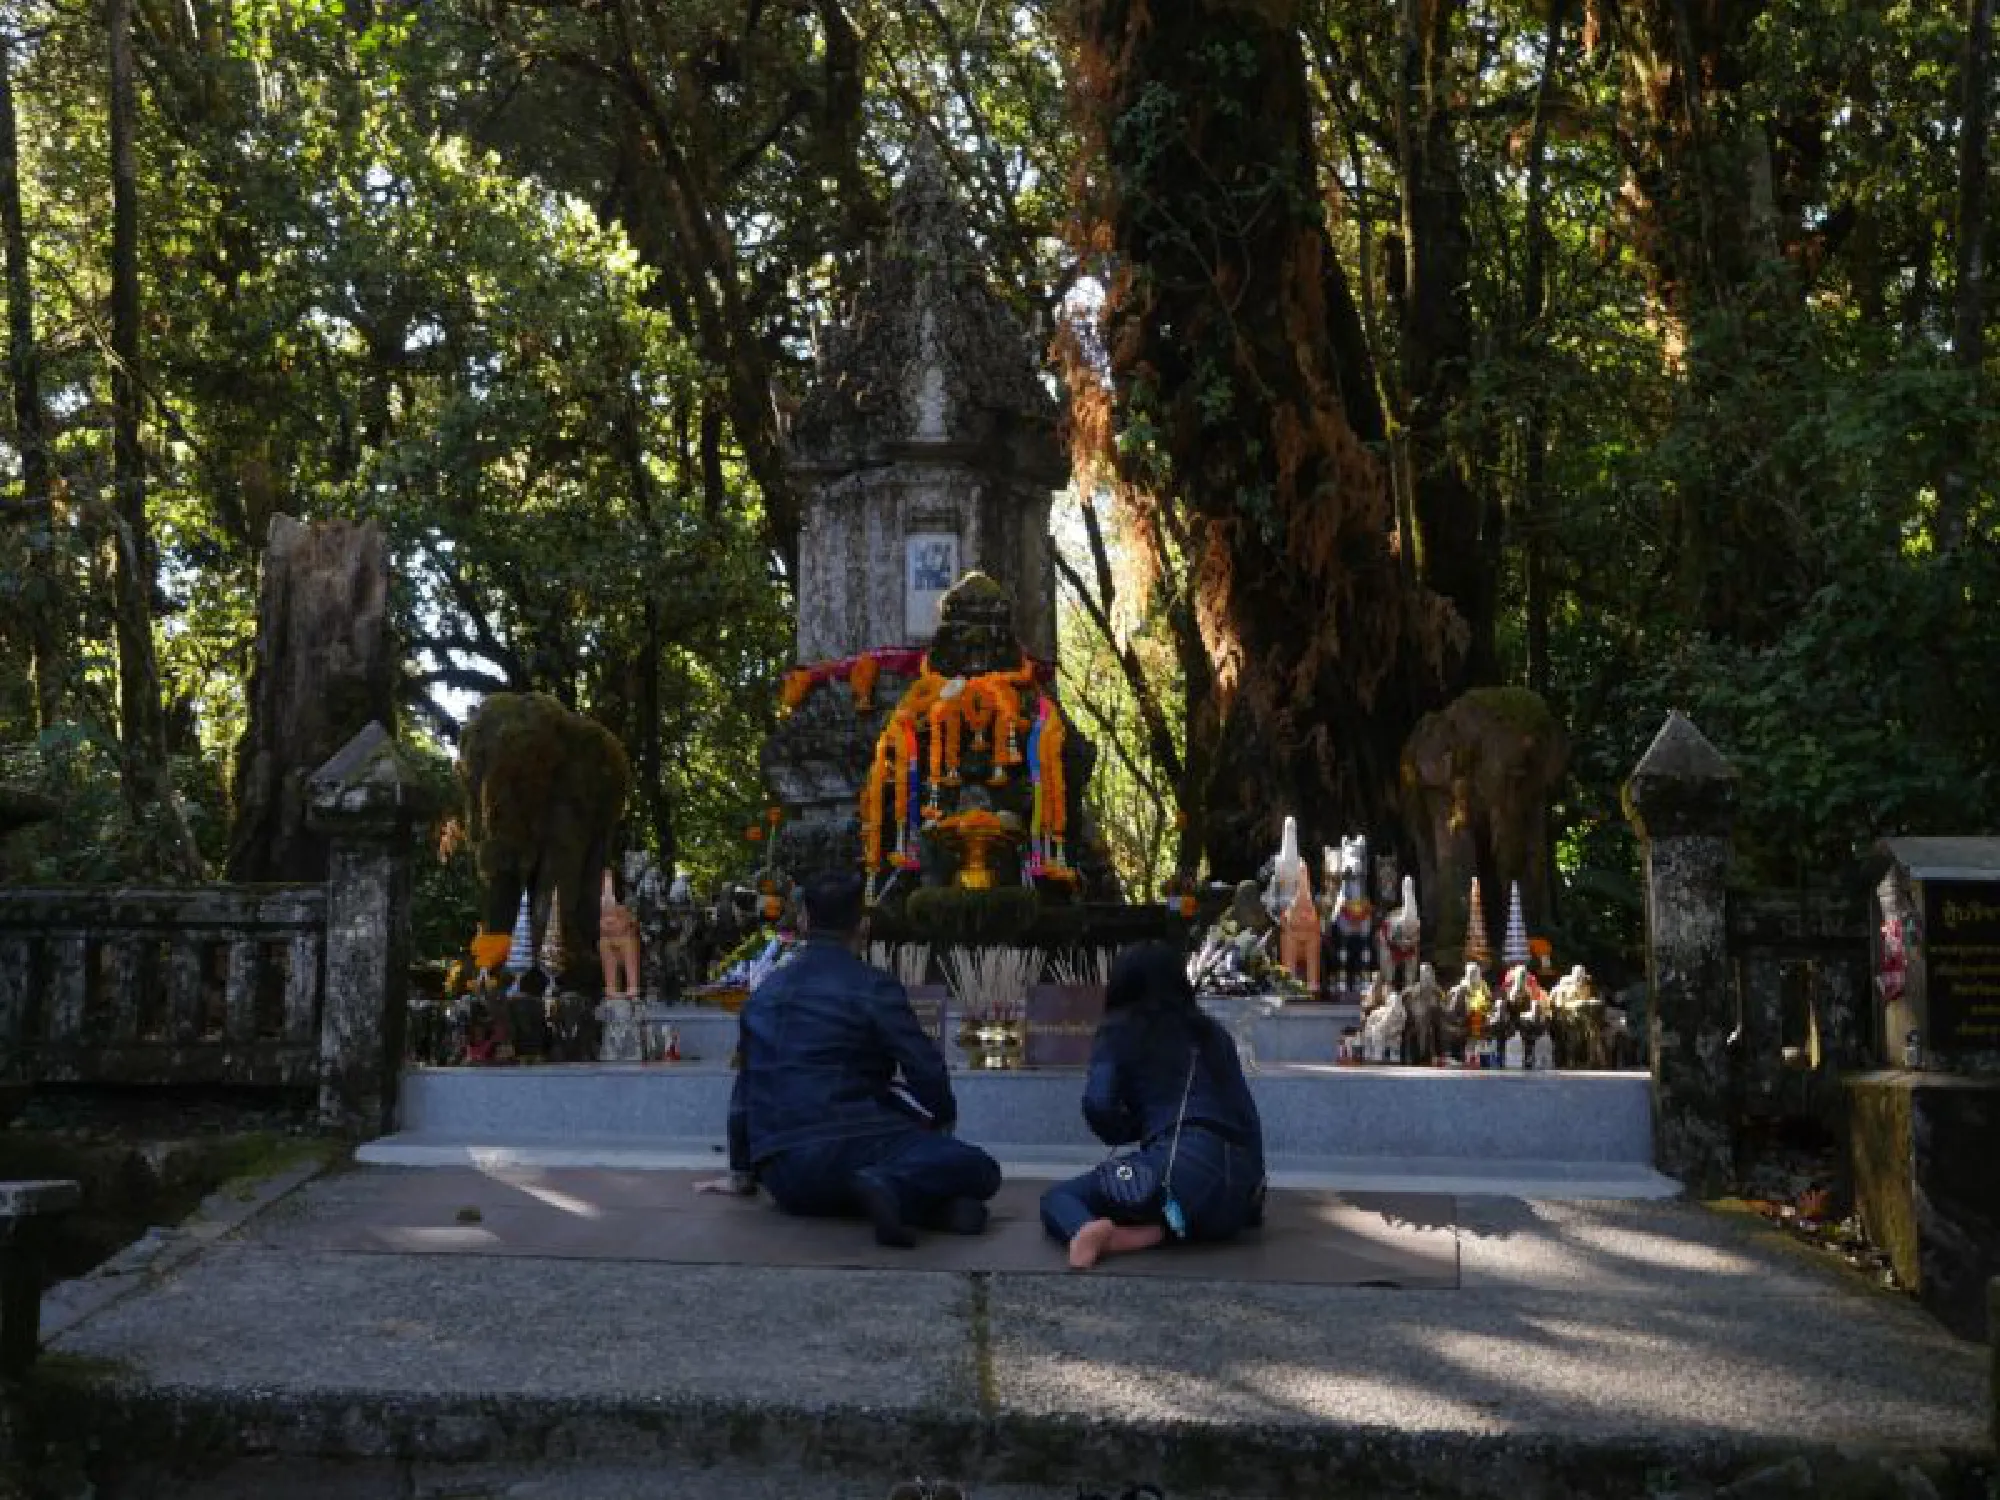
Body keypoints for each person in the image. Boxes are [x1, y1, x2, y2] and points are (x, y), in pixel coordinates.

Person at [700, 869, 1001, 1247]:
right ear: (863, 925)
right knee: (979, 1169)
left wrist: (741, 1172)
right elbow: (924, 1067)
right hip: (856, 1145)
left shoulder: (764, 992)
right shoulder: (873, 986)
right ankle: (902, 1189)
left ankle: (909, 1200)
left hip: (784, 1177)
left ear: (805, 920)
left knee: (890, 1178)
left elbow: (746, 1085)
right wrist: (941, 1123)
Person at [1040, 942, 1266, 1269]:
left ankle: (1085, 1229)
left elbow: (1099, 1105)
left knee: (1061, 1198)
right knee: (1175, 1204)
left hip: (1179, 1163)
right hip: (1239, 1193)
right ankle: (1141, 1234)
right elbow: (1246, 1113)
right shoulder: (1213, 1033)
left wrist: (1132, 1128)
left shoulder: (1122, 1028)